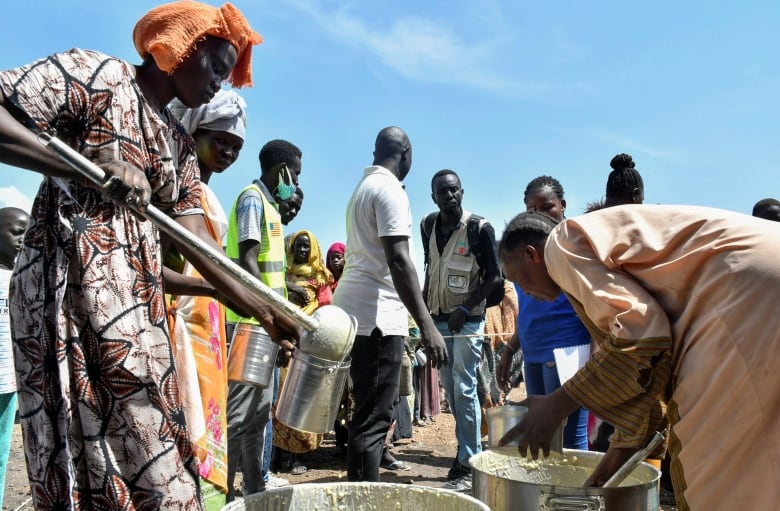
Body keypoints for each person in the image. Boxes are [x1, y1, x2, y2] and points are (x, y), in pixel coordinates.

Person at [0, 2, 303, 508]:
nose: (218, 85)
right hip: (62, 303)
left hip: (133, 316)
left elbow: (200, 247)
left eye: (227, 76)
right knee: (75, 455)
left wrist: (269, 314)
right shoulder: (95, 75)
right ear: (176, 48)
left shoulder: (178, 147)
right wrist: (85, 169)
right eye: (214, 67)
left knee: (159, 461)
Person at [497, 206, 780, 511]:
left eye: (517, 279)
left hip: (744, 297)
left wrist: (557, 405)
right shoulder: (593, 249)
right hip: (759, 281)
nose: (523, 290)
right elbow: (651, 363)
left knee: (714, 476)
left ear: (531, 254)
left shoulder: (560, 245)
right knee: (761, 465)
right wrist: (623, 450)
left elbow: (643, 333)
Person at [332, 126, 448, 482]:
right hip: (377, 317)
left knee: (363, 417)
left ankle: (356, 497)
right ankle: (364, 500)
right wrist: (427, 325)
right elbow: (399, 260)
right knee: (373, 421)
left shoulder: (364, 188)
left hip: (355, 314)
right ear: (406, 153)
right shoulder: (389, 190)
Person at [164, 88, 247, 509]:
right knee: (181, 430)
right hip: (174, 328)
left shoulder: (209, 197)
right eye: (220, 140)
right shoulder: (173, 188)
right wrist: (216, 289)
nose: (228, 152)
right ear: (194, 132)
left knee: (211, 422)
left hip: (207, 330)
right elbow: (156, 269)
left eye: (236, 146)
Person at [224, 138, 302, 500]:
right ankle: (223, 492)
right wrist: (272, 313)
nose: (297, 184)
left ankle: (254, 489)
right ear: (282, 170)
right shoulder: (253, 199)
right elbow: (248, 264)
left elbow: (268, 270)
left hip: (265, 326)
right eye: (295, 175)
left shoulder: (271, 207)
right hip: (248, 323)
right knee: (238, 418)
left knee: (258, 416)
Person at [420, 169, 503, 491]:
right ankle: (467, 449)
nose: (449, 196)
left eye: (454, 190)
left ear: (462, 192)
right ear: (434, 197)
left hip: (468, 321)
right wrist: (427, 319)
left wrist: (466, 309)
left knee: (464, 385)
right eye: (443, 192)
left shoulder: (479, 228)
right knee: (451, 391)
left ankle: (469, 460)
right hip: (439, 321)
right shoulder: (428, 225)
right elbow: (430, 268)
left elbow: (495, 277)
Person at [496, 176, 591, 452]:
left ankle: (577, 494)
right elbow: (529, 311)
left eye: (547, 207)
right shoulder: (524, 257)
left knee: (569, 438)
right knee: (541, 433)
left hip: (566, 353)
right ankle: (545, 493)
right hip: (533, 352)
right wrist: (510, 349)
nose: (540, 215)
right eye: (532, 210)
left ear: (562, 206)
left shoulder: (574, 253)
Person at [271, 229, 333, 475]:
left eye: (307, 246)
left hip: (307, 347)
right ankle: (276, 454)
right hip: (283, 343)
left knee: (300, 401)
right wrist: (290, 288)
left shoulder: (321, 278)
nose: (303, 250)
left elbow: (325, 311)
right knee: (278, 402)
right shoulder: (283, 275)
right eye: (299, 245)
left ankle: (296, 456)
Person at [0, 207, 28, 509]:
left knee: (1, 454)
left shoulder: (20, 279)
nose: (22, 242)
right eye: (16, 232)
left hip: (7, 383)